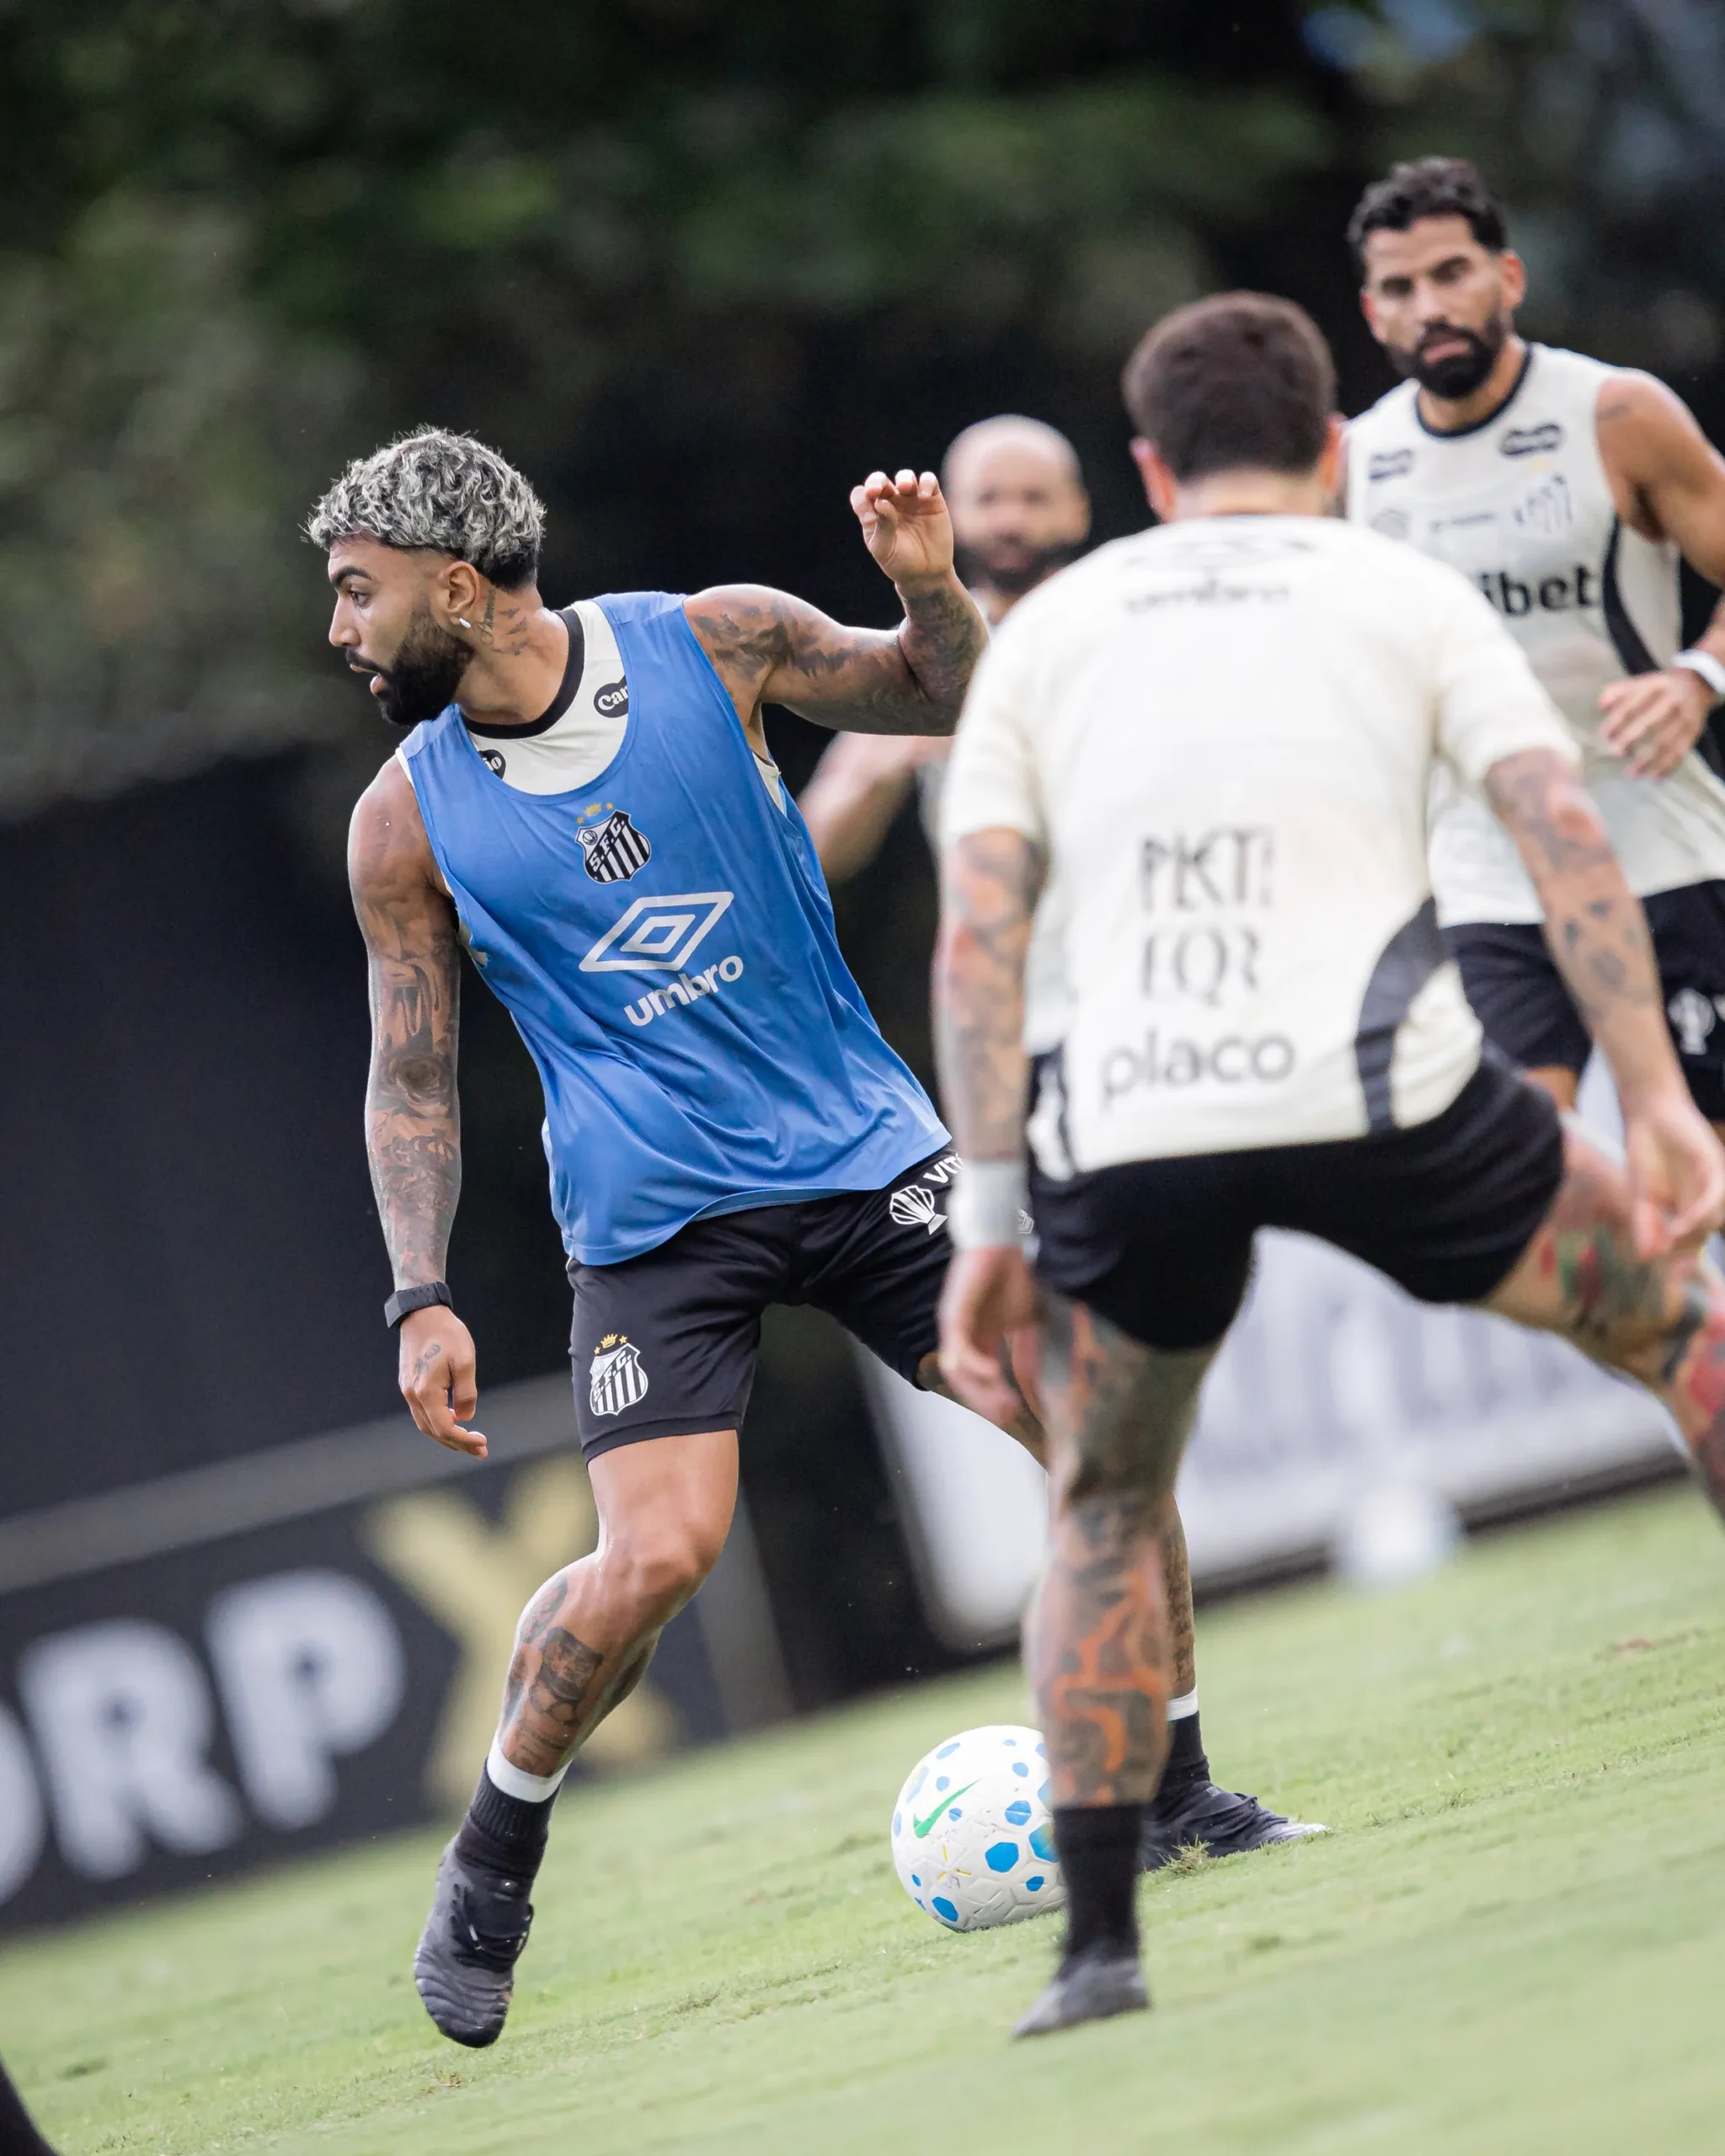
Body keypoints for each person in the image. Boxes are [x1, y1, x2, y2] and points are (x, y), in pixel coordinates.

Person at [932, 292, 1725, 2039]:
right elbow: (1563, 832)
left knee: (1103, 1503)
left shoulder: (1048, 637)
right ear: (1326, 451)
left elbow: (976, 941)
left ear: (1139, 468)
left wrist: (986, 1217)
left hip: (1128, 1126)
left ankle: (1099, 1952)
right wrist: (1655, 1095)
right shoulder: (1397, 585)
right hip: (1393, 1091)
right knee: (1684, 1335)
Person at [312, 429, 1062, 2049]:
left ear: (455, 583)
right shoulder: (402, 820)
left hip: (864, 1161)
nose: (342, 630)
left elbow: (941, 696)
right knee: (653, 1558)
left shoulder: (712, 640)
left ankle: (1184, 1790)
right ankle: (493, 1861)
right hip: (653, 1229)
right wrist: (417, 1295)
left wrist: (930, 591)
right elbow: (414, 1076)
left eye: (359, 593)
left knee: (1087, 1424)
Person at [804, 414, 1316, 1870]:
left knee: (1120, 1426)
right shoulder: (926, 674)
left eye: (1036, 494)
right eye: (989, 499)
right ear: (950, 518)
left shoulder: (1128, 626)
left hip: (1167, 1039)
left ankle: (1170, 1781)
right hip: (1024, 1078)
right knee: (1098, 1425)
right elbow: (828, 823)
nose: (1014, 517)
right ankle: (1158, 1787)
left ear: (1080, 506)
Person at [1346, 157, 1725, 1130]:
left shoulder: (1616, 414)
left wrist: (1698, 675)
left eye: (1450, 273)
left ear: (1505, 279)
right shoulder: (1359, 461)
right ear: (1370, 311)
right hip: (1483, 865)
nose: (1428, 304)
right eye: (1399, 287)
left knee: (1705, 1173)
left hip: (1653, 836)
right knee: (1531, 1179)